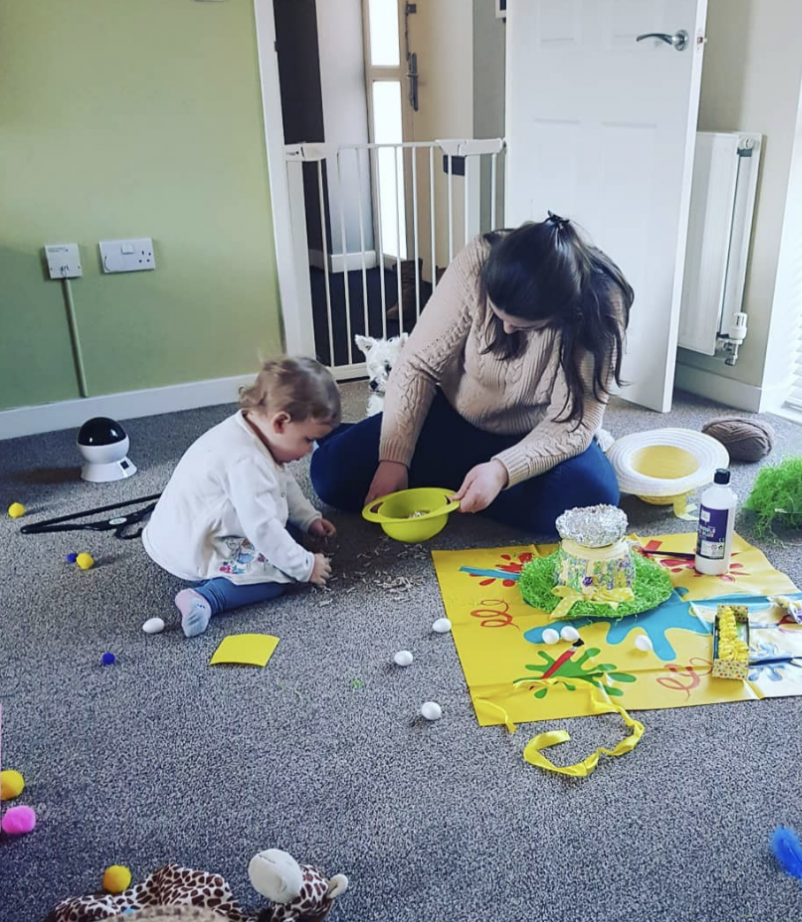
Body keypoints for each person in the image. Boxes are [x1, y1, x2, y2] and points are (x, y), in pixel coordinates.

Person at [309, 214, 633, 532]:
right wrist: (394, 458)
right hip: (455, 417)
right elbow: (418, 364)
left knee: (593, 499)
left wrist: (503, 471)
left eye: (524, 327)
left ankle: (462, 483)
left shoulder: (601, 304)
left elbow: (573, 423)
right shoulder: (478, 259)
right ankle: (464, 482)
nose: (506, 328)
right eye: (498, 315)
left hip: (534, 434)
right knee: (331, 476)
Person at [143, 357, 340, 637]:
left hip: (177, 529)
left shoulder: (252, 430)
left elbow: (283, 480)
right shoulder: (247, 461)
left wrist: (308, 518)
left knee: (290, 537)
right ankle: (208, 598)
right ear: (281, 422)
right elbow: (262, 528)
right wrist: (305, 566)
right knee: (279, 574)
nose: (311, 450)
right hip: (193, 546)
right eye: (308, 439)